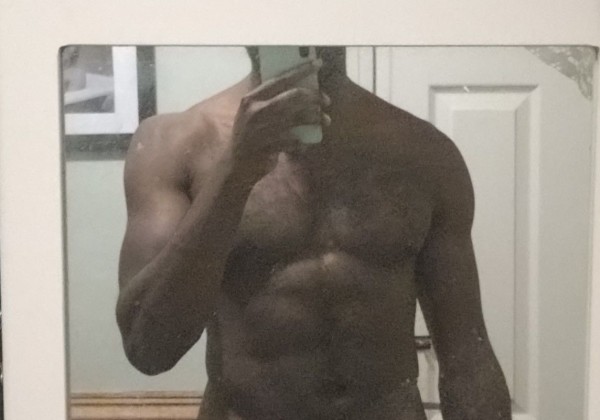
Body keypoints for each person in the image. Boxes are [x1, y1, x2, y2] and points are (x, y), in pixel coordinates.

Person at [116, 47, 511, 420]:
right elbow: (147, 349)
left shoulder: (424, 153)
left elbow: (468, 359)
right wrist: (234, 173)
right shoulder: (175, 145)